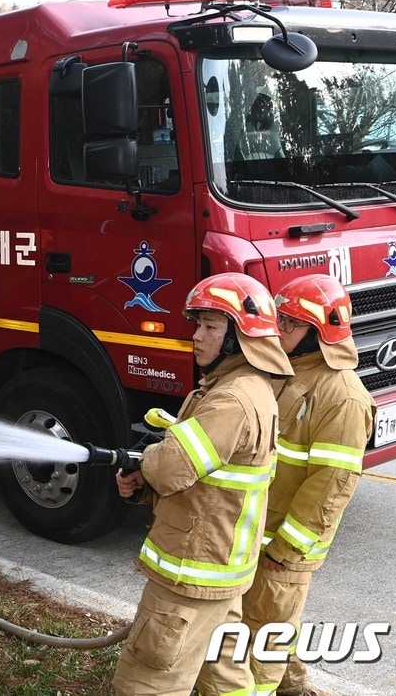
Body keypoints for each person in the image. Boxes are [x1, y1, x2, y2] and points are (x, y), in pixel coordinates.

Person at [112, 273, 293, 696]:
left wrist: (146, 463)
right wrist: (147, 482)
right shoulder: (246, 389)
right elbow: (206, 476)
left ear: (239, 338)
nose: (196, 336)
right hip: (221, 571)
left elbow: (172, 466)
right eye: (198, 324)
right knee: (226, 678)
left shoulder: (231, 400)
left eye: (211, 326)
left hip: (192, 575)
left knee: (147, 680)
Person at [235, 274, 375, 696]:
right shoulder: (286, 372)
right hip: (258, 532)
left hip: (286, 545)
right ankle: (296, 687)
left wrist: (286, 549)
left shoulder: (343, 397)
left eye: (290, 325)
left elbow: (332, 485)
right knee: (269, 620)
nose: (279, 330)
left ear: (317, 334)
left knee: (264, 637)